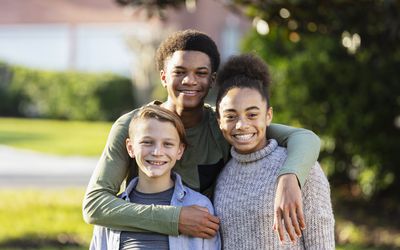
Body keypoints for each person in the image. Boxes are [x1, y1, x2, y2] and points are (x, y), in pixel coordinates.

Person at [83, 29, 321, 241]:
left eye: (201, 72)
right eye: (180, 72)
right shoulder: (134, 126)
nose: (190, 80)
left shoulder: (226, 124)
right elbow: (95, 205)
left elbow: (304, 138)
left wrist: (290, 178)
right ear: (164, 76)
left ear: (212, 80)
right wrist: (175, 219)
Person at [213, 54, 334, 249]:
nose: (241, 125)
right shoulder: (222, 176)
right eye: (231, 116)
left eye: (252, 114)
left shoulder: (303, 169)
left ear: (268, 116)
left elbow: (321, 244)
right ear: (219, 122)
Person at [90, 105, 220, 249]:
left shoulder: (200, 206)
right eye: (147, 142)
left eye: (168, 144)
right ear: (130, 148)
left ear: (180, 150)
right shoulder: (111, 214)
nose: (157, 152)